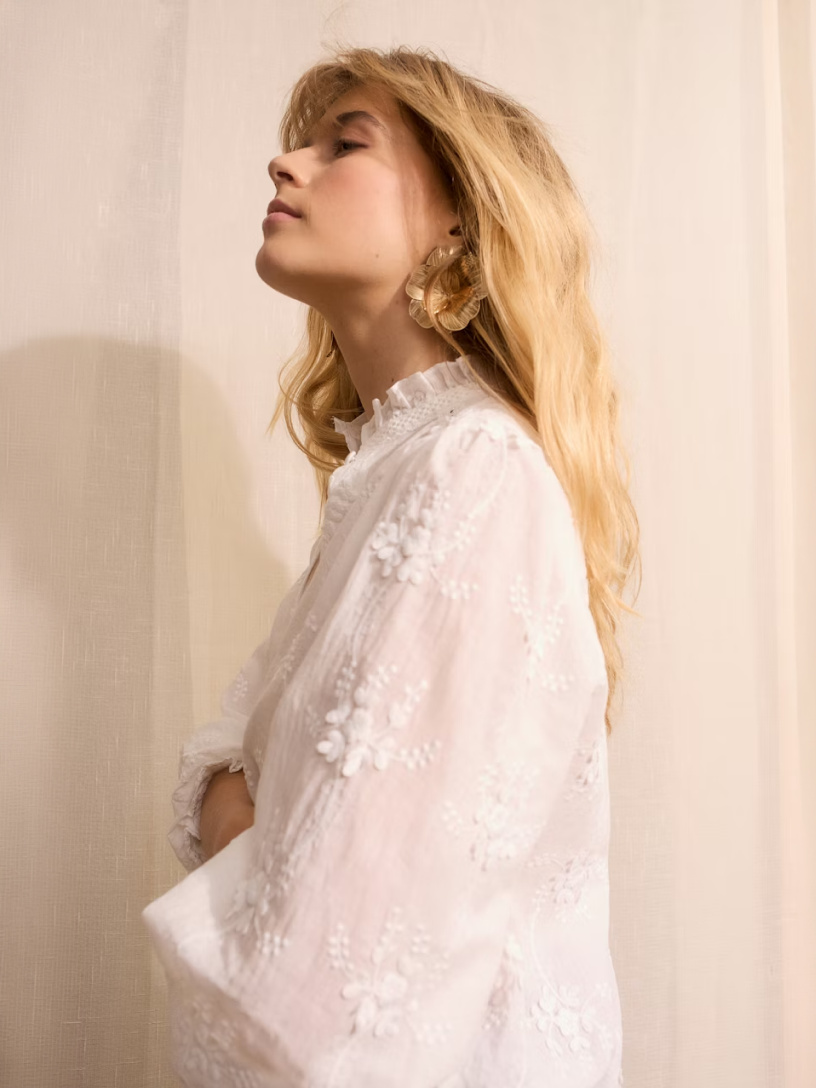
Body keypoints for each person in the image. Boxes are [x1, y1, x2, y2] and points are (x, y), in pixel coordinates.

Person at [142, 43, 640, 1088]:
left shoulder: (474, 470)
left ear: (456, 219)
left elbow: (333, 961)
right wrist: (255, 813)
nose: (285, 164)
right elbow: (231, 772)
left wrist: (250, 811)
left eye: (345, 145)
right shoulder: (396, 474)